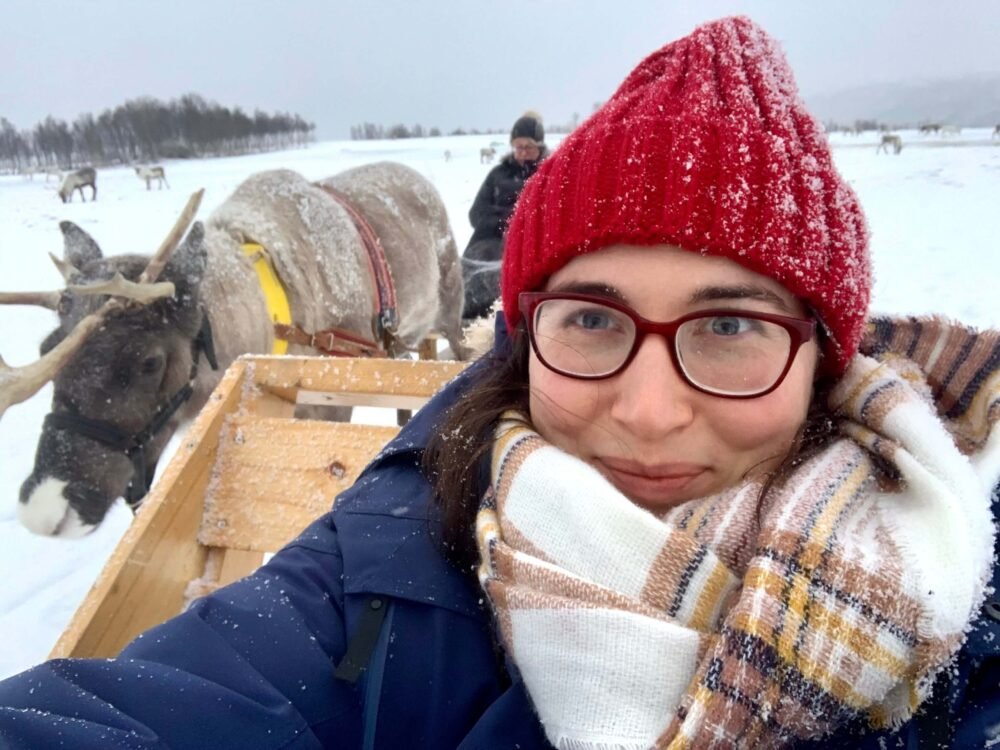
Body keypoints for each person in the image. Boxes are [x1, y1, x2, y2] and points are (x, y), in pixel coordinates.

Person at [1, 16, 999, 750]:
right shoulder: (382, 569)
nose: (648, 414)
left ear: (823, 356)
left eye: (731, 326)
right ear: (525, 341)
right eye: (593, 320)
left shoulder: (962, 624)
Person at [461, 111, 548, 320]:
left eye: (529, 147)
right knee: (468, 285)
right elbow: (476, 214)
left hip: (527, 244)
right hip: (487, 243)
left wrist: (517, 226)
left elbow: (545, 217)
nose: (523, 153)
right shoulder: (498, 174)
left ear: (540, 147)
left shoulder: (546, 175)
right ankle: (468, 329)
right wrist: (507, 221)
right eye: (518, 147)